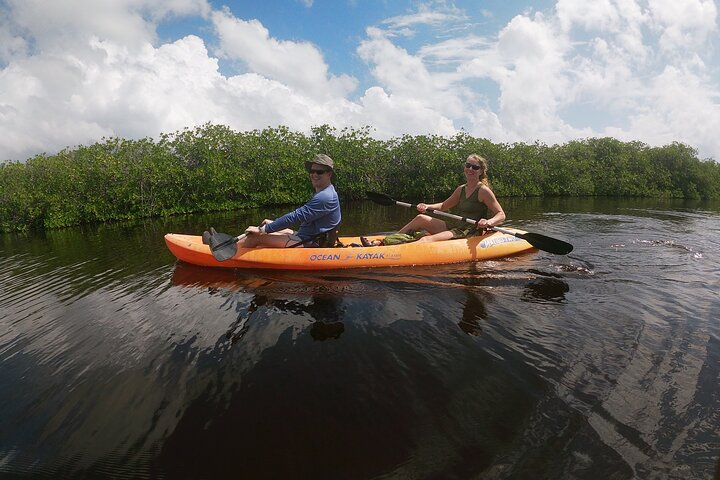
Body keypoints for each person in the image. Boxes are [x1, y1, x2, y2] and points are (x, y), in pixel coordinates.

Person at [363, 154, 505, 245]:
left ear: (480, 171)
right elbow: (443, 206)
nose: (470, 169)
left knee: (426, 240)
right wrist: (426, 206)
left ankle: (389, 251)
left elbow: (501, 214)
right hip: (455, 225)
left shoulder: (483, 191)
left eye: (475, 167)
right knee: (420, 218)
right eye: (468, 165)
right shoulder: (461, 189)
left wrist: (489, 222)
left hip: (469, 230)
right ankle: (385, 242)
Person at [239, 154, 341, 248]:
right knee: (266, 224)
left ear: (329, 174)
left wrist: (263, 230)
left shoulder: (325, 197)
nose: (314, 174)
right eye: (312, 171)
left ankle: (229, 258)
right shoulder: (326, 192)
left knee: (255, 237)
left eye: (319, 172)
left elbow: (295, 217)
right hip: (308, 236)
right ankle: (232, 249)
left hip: (311, 242)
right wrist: (269, 226)